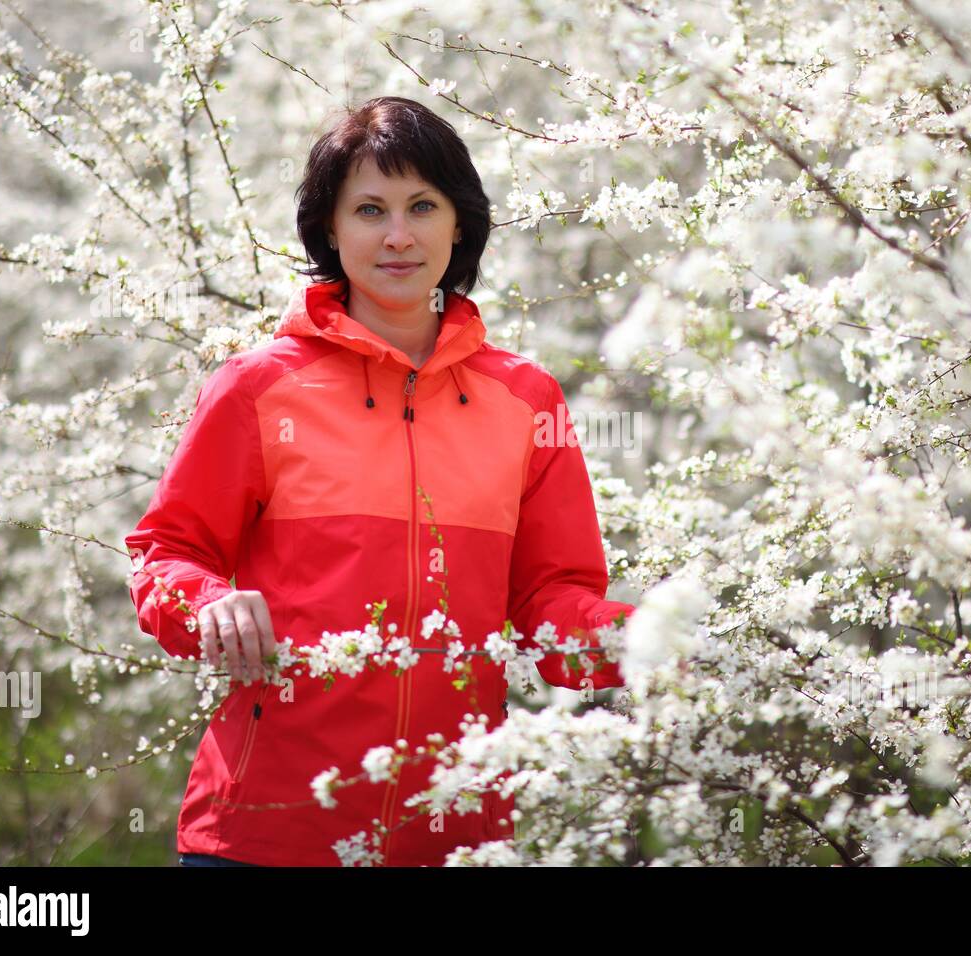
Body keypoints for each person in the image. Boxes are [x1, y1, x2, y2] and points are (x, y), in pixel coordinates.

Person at [125, 96, 636, 867]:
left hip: (457, 834)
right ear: (330, 229)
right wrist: (206, 603)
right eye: (368, 209)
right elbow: (163, 551)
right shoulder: (256, 388)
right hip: (263, 834)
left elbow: (547, 603)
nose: (397, 236)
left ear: (459, 222)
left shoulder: (526, 399)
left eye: (421, 206)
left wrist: (646, 639)